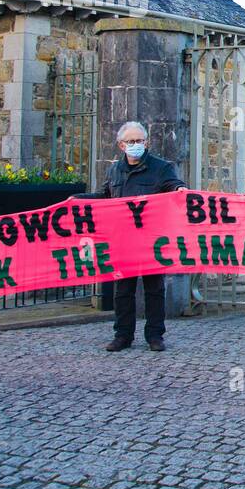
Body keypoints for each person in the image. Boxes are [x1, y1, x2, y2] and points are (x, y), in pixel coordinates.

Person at [80, 121, 188, 352]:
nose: (136, 145)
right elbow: (105, 196)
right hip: (123, 240)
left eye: (140, 141)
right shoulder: (114, 170)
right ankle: (123, 336)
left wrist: (179, 190)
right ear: (121, 145)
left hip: (152, 239)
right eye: (131, 141)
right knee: (123, 290)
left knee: (154, 289)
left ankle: (155, 336)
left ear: (147, 142)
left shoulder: (161, 167)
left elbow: (173, 185)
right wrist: (79, 200)